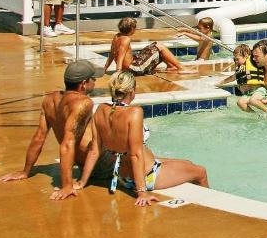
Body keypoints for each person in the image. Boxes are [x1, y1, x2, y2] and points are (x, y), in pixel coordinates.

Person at [83, 71, 208, 206]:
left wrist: (82, 181)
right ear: (131, 90)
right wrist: (142, 192)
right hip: (148, 176)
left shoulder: (101, 109)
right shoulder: (134, 113)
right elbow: (135, 155)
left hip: (122, 176)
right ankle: (208, 209)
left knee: (188, 163)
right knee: (200, 172)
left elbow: (94, 150)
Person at [0, 60, 109, 198]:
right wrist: (67, 185)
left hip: (83, 164)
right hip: (101, 164)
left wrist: (25, 171)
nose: (95, 82)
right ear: (84, 83)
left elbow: (39, 138)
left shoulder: (49, 100)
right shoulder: (83, 103)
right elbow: (68, 143)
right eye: (93, 79)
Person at [103, 17, 195, 75]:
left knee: (156, 45)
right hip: (133, 69)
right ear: (131, 29)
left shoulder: (117, 36)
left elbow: (111, 54)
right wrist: (118, 74)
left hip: (133, 64)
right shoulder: (126, 39)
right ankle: (182, 68)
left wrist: (105, 69)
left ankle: (171, 66)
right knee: (161, 47)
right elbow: (120, 58)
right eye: (135, 28)